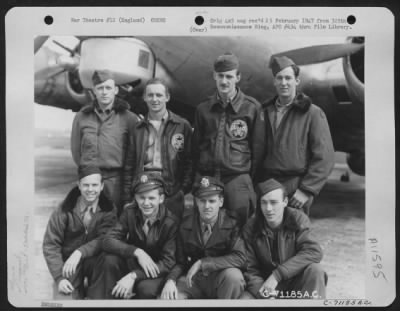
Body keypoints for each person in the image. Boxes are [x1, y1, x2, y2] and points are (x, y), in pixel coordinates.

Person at [192, 52, 266, 224]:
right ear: (214, 76)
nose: (224, 81)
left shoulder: (251, 108)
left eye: (229, 76)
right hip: (208, 179)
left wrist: (247, 181)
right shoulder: (203, 109)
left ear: (237, 77)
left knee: (239, 229)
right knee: (207, 226)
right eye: (220, 76)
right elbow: (196, 148)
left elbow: (259, 150)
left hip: (237, 180)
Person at [261, 56, 335, 214]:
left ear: (297, 81)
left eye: (288, 78)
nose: (283, 83)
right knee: (267, 234)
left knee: (294, 234)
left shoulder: (313, 113)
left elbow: (325, 157)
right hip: (268, 184)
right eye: (279, 78)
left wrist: (307, 190)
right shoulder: (264, 112)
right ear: (274, 81)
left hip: (295, 186)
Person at [91, 172, 178, 299]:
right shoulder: (130, 212)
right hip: (135, 262)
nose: (146, 203)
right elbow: (108, 240)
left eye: (151, 198)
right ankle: (108, 302)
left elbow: (168, 263)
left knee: (145, 289)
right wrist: (137, 252)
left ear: (161, 199)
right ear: (135, 198)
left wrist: (134, 275)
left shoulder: (170, 222)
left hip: (156, 270)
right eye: (141, 197)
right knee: (109, 260)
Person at [160, 176, 246, 299]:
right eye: (202, 200)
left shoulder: (231, 224)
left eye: (212, 201)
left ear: (220, 202)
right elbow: (180, 261)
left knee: (234, 277)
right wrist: (170, 280)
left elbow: (240, 257)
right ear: (196, 202)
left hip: (219, 278)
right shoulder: (185, 225)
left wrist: (203, 263)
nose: (207, 206)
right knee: (171, 296)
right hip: (193, 280)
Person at [241, 179, 327, 299]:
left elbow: (313, 251)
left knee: (315, 270)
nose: (268, 208)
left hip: (294, 283)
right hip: (265, 285)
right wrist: (264, 294)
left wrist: (277, 275)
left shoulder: (298, 219)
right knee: (243, 301)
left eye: (273, 202)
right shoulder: (251, 227)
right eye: (264, 203)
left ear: (285, 201)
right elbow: (249, 268)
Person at [42, 166, 117, 299]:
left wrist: (80, 252)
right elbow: (51, 244)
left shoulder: (109, 209)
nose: (90, 190)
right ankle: (75, 289)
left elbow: (105, 239)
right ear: (79, 185)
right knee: (63, 301)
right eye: (86, 185)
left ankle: (95, 293)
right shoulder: (64, 209)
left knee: (108, 262)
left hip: (95, 262)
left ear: (101, 186)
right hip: (69, 264)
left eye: (94, 185)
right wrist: (59, 277)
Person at [71, 69, 139, 214]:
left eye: (108, 88)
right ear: (94, 91)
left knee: (115, 225)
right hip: (90, 181)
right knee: (88, 225)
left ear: (115, 90)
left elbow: (135, 156)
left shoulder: (129, 119)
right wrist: (89, 172)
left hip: (116, 183)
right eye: (100, 88)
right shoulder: (82, 117)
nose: (104, 92)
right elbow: (76, 152)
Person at [123, 78, 193, 218]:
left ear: (167, 97)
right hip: (144, 187)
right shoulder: (137, 128)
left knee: (172, 233)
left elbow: (190, 161)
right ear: (144, 97)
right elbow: (129, 165)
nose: (155, 99)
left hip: (171, 190)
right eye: (150, 95)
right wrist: (127, 197)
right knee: (145, 233)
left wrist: (182, 190)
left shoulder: (181, 125)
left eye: (159, 95)